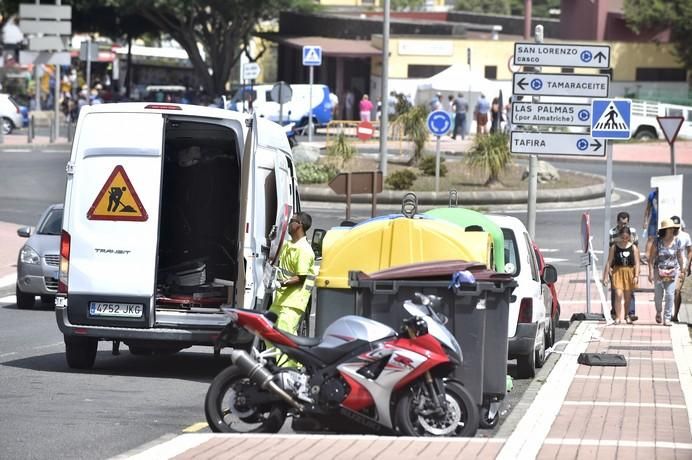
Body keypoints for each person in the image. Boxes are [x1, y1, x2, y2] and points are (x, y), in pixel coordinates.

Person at [270, 212, 317, 366]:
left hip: (293, 302)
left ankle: (287, 371)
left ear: (299, 225)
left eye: (292, 221)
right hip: (281, 300)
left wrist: (280, 283)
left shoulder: (304, 250)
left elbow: (300, 278)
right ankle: (295, 365)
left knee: (284, 336)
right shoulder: (289, 245)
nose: (289, 223)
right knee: (269, 332)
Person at [648, 218, 684, 326]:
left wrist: (682, 270)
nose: (672, 230)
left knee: (670, 295)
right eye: (670, 228)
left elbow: (680, 257)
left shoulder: (677, 241)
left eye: (673, 228)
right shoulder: (657, 241)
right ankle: (658, 312)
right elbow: (651, 259)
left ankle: (667, 317)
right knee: (658, 296)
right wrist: (650, 273)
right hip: (658, 272)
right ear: (665, 229)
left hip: (672, 272)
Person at [603, 226, 639, 325]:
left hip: (629, 272)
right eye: (622, 237)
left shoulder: (633, 248)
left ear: (629, 237)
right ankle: (618, 317)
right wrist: (605, 276)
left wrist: (636, 276)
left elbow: (637, 263)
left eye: (626, 238)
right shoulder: (614, 247)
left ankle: (626, 315)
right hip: (617, 272)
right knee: (618, 294)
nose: (624, 240)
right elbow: (609, 262)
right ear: (619, 236)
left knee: (627, 297)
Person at [671, 216, 692, 322]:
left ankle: (675, 315)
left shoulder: (685, 236)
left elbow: (689, 251)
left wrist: (688, 266)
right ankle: (668, 312)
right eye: (673, 226)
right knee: (669, 292)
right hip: (667, 267)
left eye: (676, 226)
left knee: (676, 290)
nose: (674, 229)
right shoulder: (666, 235)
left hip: (681, 267)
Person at [642, 188, 658, 264]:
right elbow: (648, 209)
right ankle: (647, 257)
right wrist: (645, 221)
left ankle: (657, 257)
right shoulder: (652, 195)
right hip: (653, 220)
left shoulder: (666, 194)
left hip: (663, 220)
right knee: (651, 238)